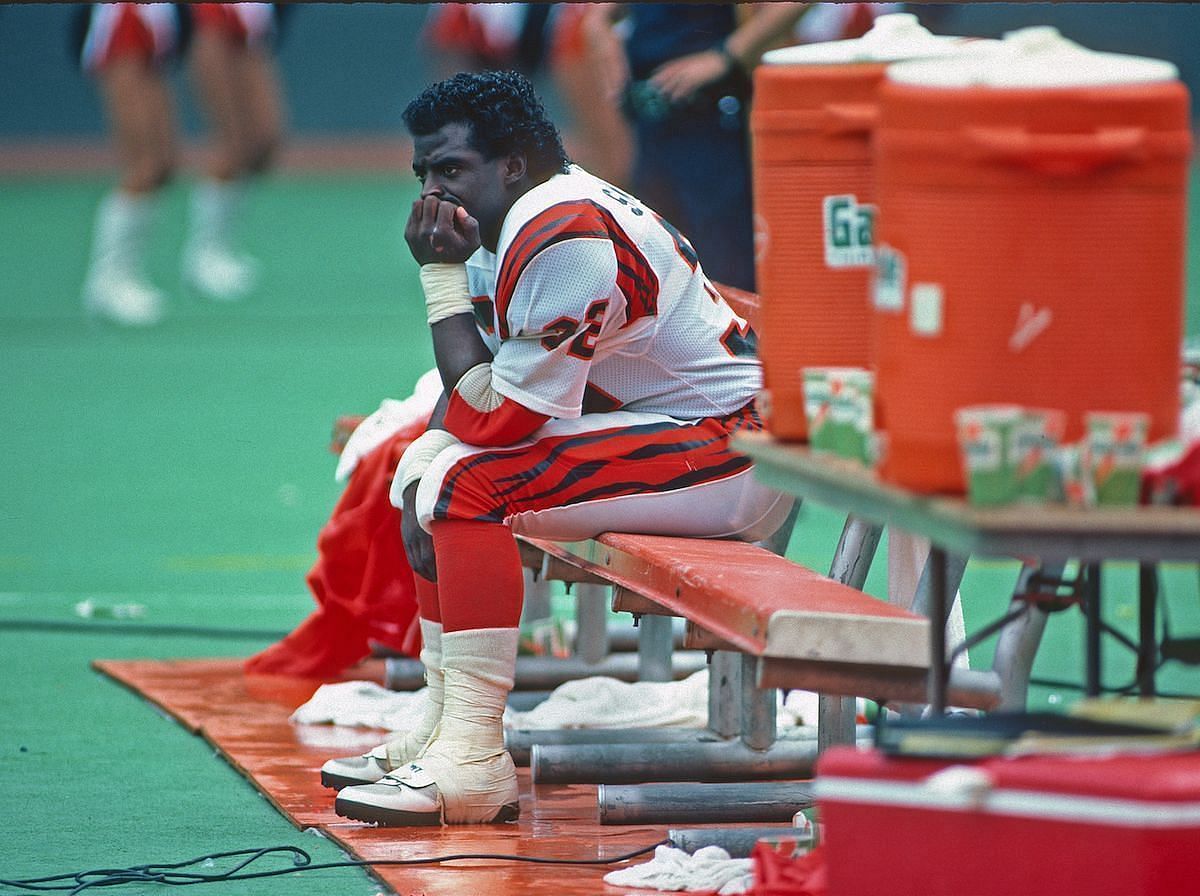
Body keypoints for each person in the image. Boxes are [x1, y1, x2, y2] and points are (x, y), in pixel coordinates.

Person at [322, 70, 793, 827]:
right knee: (429, 469)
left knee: (464, 485)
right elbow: (478, 388)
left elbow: (497, 423)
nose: (433, 193)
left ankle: (475, 755)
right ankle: (448, 725)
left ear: (510, 164)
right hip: (674, 433)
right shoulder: (511, 213)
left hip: (732, 449)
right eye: (424, 173)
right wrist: (423, 466)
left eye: (450, 169)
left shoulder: (565, 235)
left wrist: (439, 279)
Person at [78, 3, 285, 326]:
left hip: (162, 23)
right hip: (126, 21)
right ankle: (108, 280)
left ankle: (205, 255)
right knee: (148, 164)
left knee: (166, 163)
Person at [582, 3, 810, 292]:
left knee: (728, 283)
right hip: (650, 127)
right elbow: (602, 15)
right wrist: (598, 24)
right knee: (656, 280)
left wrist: (726, 56)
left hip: (710, 126)